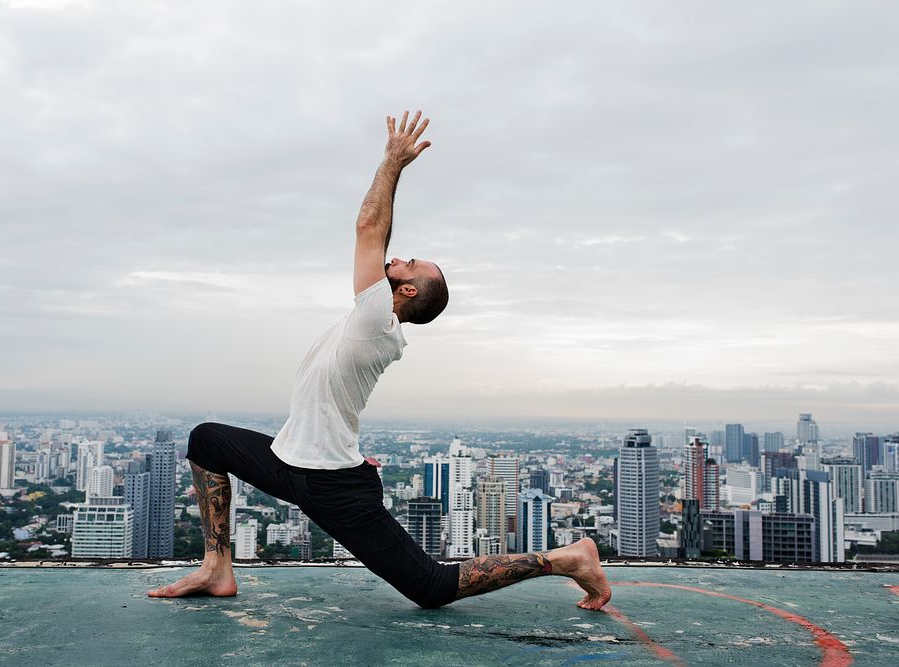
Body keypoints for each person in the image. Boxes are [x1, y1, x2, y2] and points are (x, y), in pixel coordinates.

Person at [148, 110, 612, 611]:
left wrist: (392, 162)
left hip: (331, 487)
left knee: (430, 588)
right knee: (207, 440)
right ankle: (217, 568)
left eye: (408, 264)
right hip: (289, 461)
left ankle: (567, 559)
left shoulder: (374, 320)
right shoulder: (368, 319)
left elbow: (369, 225)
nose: (397, 256)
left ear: (407, 289)